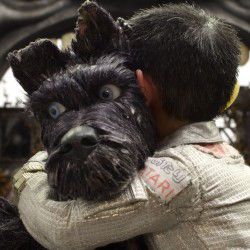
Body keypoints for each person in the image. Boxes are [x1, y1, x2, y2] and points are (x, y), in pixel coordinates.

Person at [13, 4, 250, 249]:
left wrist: (29, 176)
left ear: (142, 85)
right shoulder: (217, 155)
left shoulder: (181, 173)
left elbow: (64, 228)